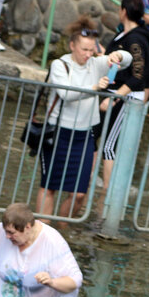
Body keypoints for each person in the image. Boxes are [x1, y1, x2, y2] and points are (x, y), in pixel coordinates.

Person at [37, 16, 128, 222]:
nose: (88, 54)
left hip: (84, 135)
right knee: (49, 186)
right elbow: (66, 94)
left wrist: (117, 55)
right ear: (72, 46)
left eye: (91, 49)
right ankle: (44, 227)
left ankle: (62, 227)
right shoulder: (59, 65)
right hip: (58, 131)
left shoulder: (96, 64)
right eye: (83, 49)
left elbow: (127, 60)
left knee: (79, 194)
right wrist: (96, 88)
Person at [98, 0, 149, 195]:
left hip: (125, 98)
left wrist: (114, 99)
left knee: (109, 146)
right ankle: (104, 185)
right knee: (104, 142)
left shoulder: (136, 39)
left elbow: (138, 75)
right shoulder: (124, 35)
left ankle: (108, 191)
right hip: (115, 93)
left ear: (123, 12)